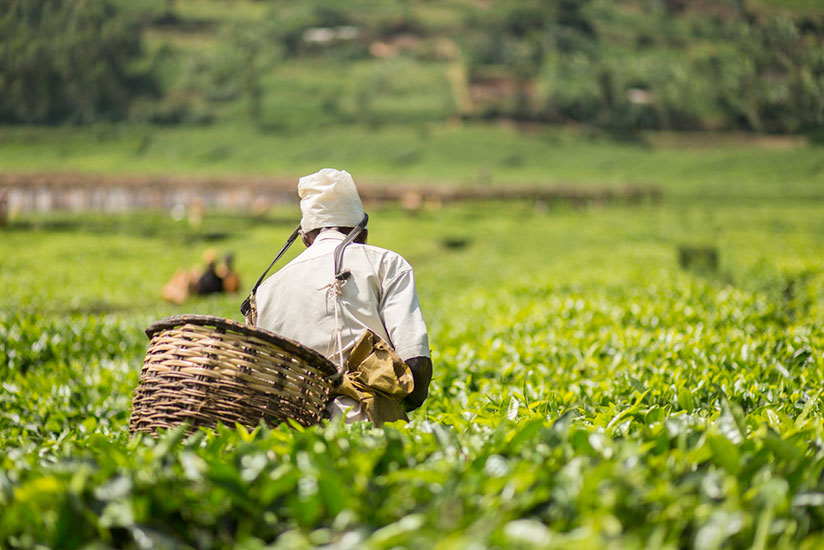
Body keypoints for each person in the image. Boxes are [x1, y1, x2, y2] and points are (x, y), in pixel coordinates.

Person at [255, 168, 432, 423]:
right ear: (362, 232)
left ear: (305, 238)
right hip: (368, 426)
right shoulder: (387, 264)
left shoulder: (266, 290)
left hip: (290, 433)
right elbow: (415, 362)